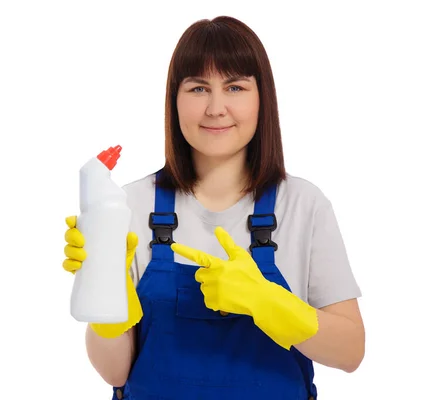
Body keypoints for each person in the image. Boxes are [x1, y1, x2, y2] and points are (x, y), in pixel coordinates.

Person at [62, 15, 365, 400]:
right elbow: (115, 371)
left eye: (235, 86)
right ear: (175, 98)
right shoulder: (129, 206)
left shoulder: (303, 205)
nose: (216, 108)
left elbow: (351, 352)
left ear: (262, 98)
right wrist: (106, 297)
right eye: (199, 88)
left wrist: (269, 303)